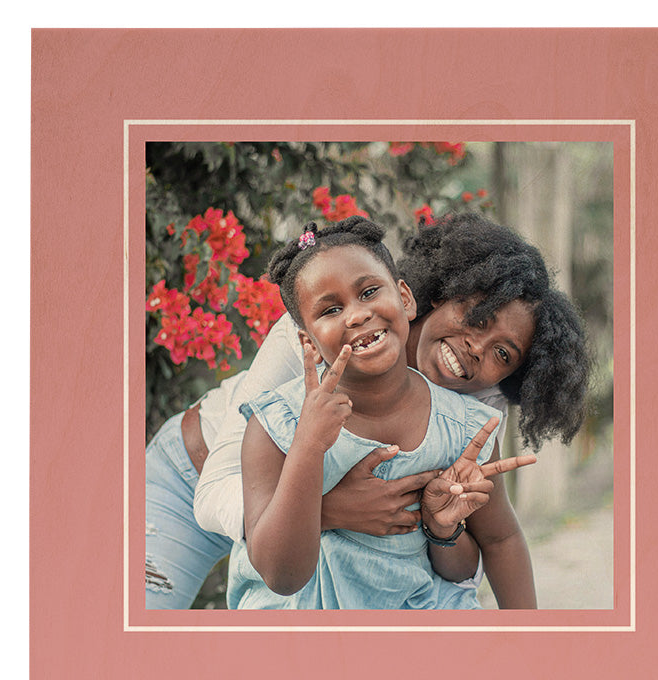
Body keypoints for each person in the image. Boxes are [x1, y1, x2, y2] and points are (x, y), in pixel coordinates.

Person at [146, 210, 590, 608]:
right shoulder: (318, 334)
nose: (476, 347)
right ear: (434, 295)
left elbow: (467, 560)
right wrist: (328, 510)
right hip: (194, 476)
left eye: (503, 355)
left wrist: (442, 529)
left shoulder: (472, 415)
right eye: (475, 318)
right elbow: (218, 493)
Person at [228, 217, 537, 609]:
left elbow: (495, 543)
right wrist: (308, 444)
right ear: (306, 340)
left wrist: (441, 527)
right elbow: (282, 576)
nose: (356, 315)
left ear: (405, 298)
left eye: (369, 291)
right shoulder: (277, 424)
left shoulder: (464, 429)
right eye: (331, 309)